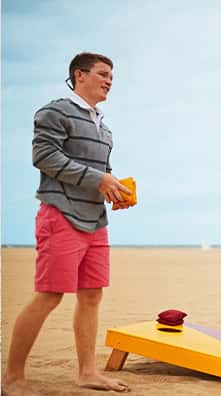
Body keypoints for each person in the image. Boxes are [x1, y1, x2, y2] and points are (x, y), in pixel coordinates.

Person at [2, 52, 131, 395]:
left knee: (91, 296)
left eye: (112, 76)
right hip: (60, 215)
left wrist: (113, 189)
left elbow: (94, 173)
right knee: (49, 296)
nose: (109, 80)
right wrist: (97, 179)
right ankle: (12, 379)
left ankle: (87, 373)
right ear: (80, 74)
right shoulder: (54, 111)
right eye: (103, 74)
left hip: (95, 221)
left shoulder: (104, 125)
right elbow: (44, 157)